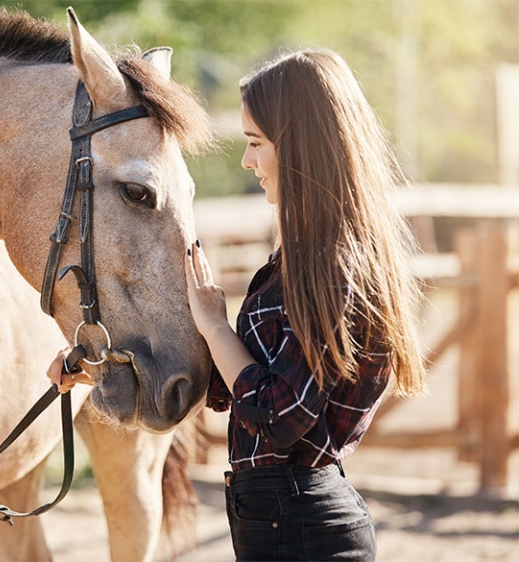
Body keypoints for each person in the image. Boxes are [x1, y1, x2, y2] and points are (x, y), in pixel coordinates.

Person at [183, 48, 427, 561]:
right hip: (286, 518)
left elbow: (281, 415)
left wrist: (216, 326)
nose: (247, 160)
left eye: (256, 142)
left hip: (297, 523)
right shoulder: (300, 259)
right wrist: (99, 360)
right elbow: (237, 386)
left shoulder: (331, 267)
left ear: (298, 147)